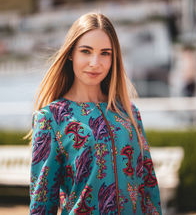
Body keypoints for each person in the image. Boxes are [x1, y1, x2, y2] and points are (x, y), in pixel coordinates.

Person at [29, 12, 162, 214]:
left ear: (113, 57)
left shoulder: (129, 113)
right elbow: (42, 203)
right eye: (86, 51)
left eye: (105, 53)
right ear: (71, 53)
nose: (95, 62)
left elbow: (148, 185)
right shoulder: (51, 119)